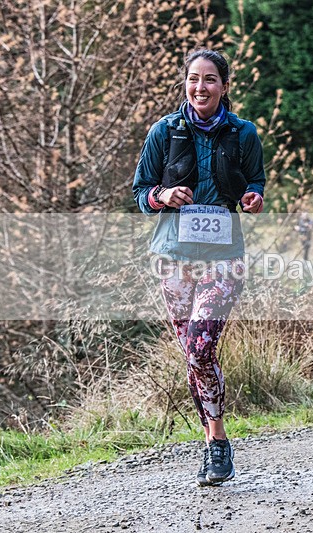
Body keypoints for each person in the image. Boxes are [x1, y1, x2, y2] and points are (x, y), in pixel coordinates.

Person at [132, 48, 265, 486]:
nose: (200, 87)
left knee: (201, 348)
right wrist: (162, 197)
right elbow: (140, 194)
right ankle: (213, 443)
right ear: (184, 83)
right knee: (193, 353)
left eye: (210, 79)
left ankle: (218, 441)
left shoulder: (244, 133)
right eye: (193, 78)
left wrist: (253, 198)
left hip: (224, 258)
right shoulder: (163, 132)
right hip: (172, 257)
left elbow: (256, 183)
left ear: (225, 86)